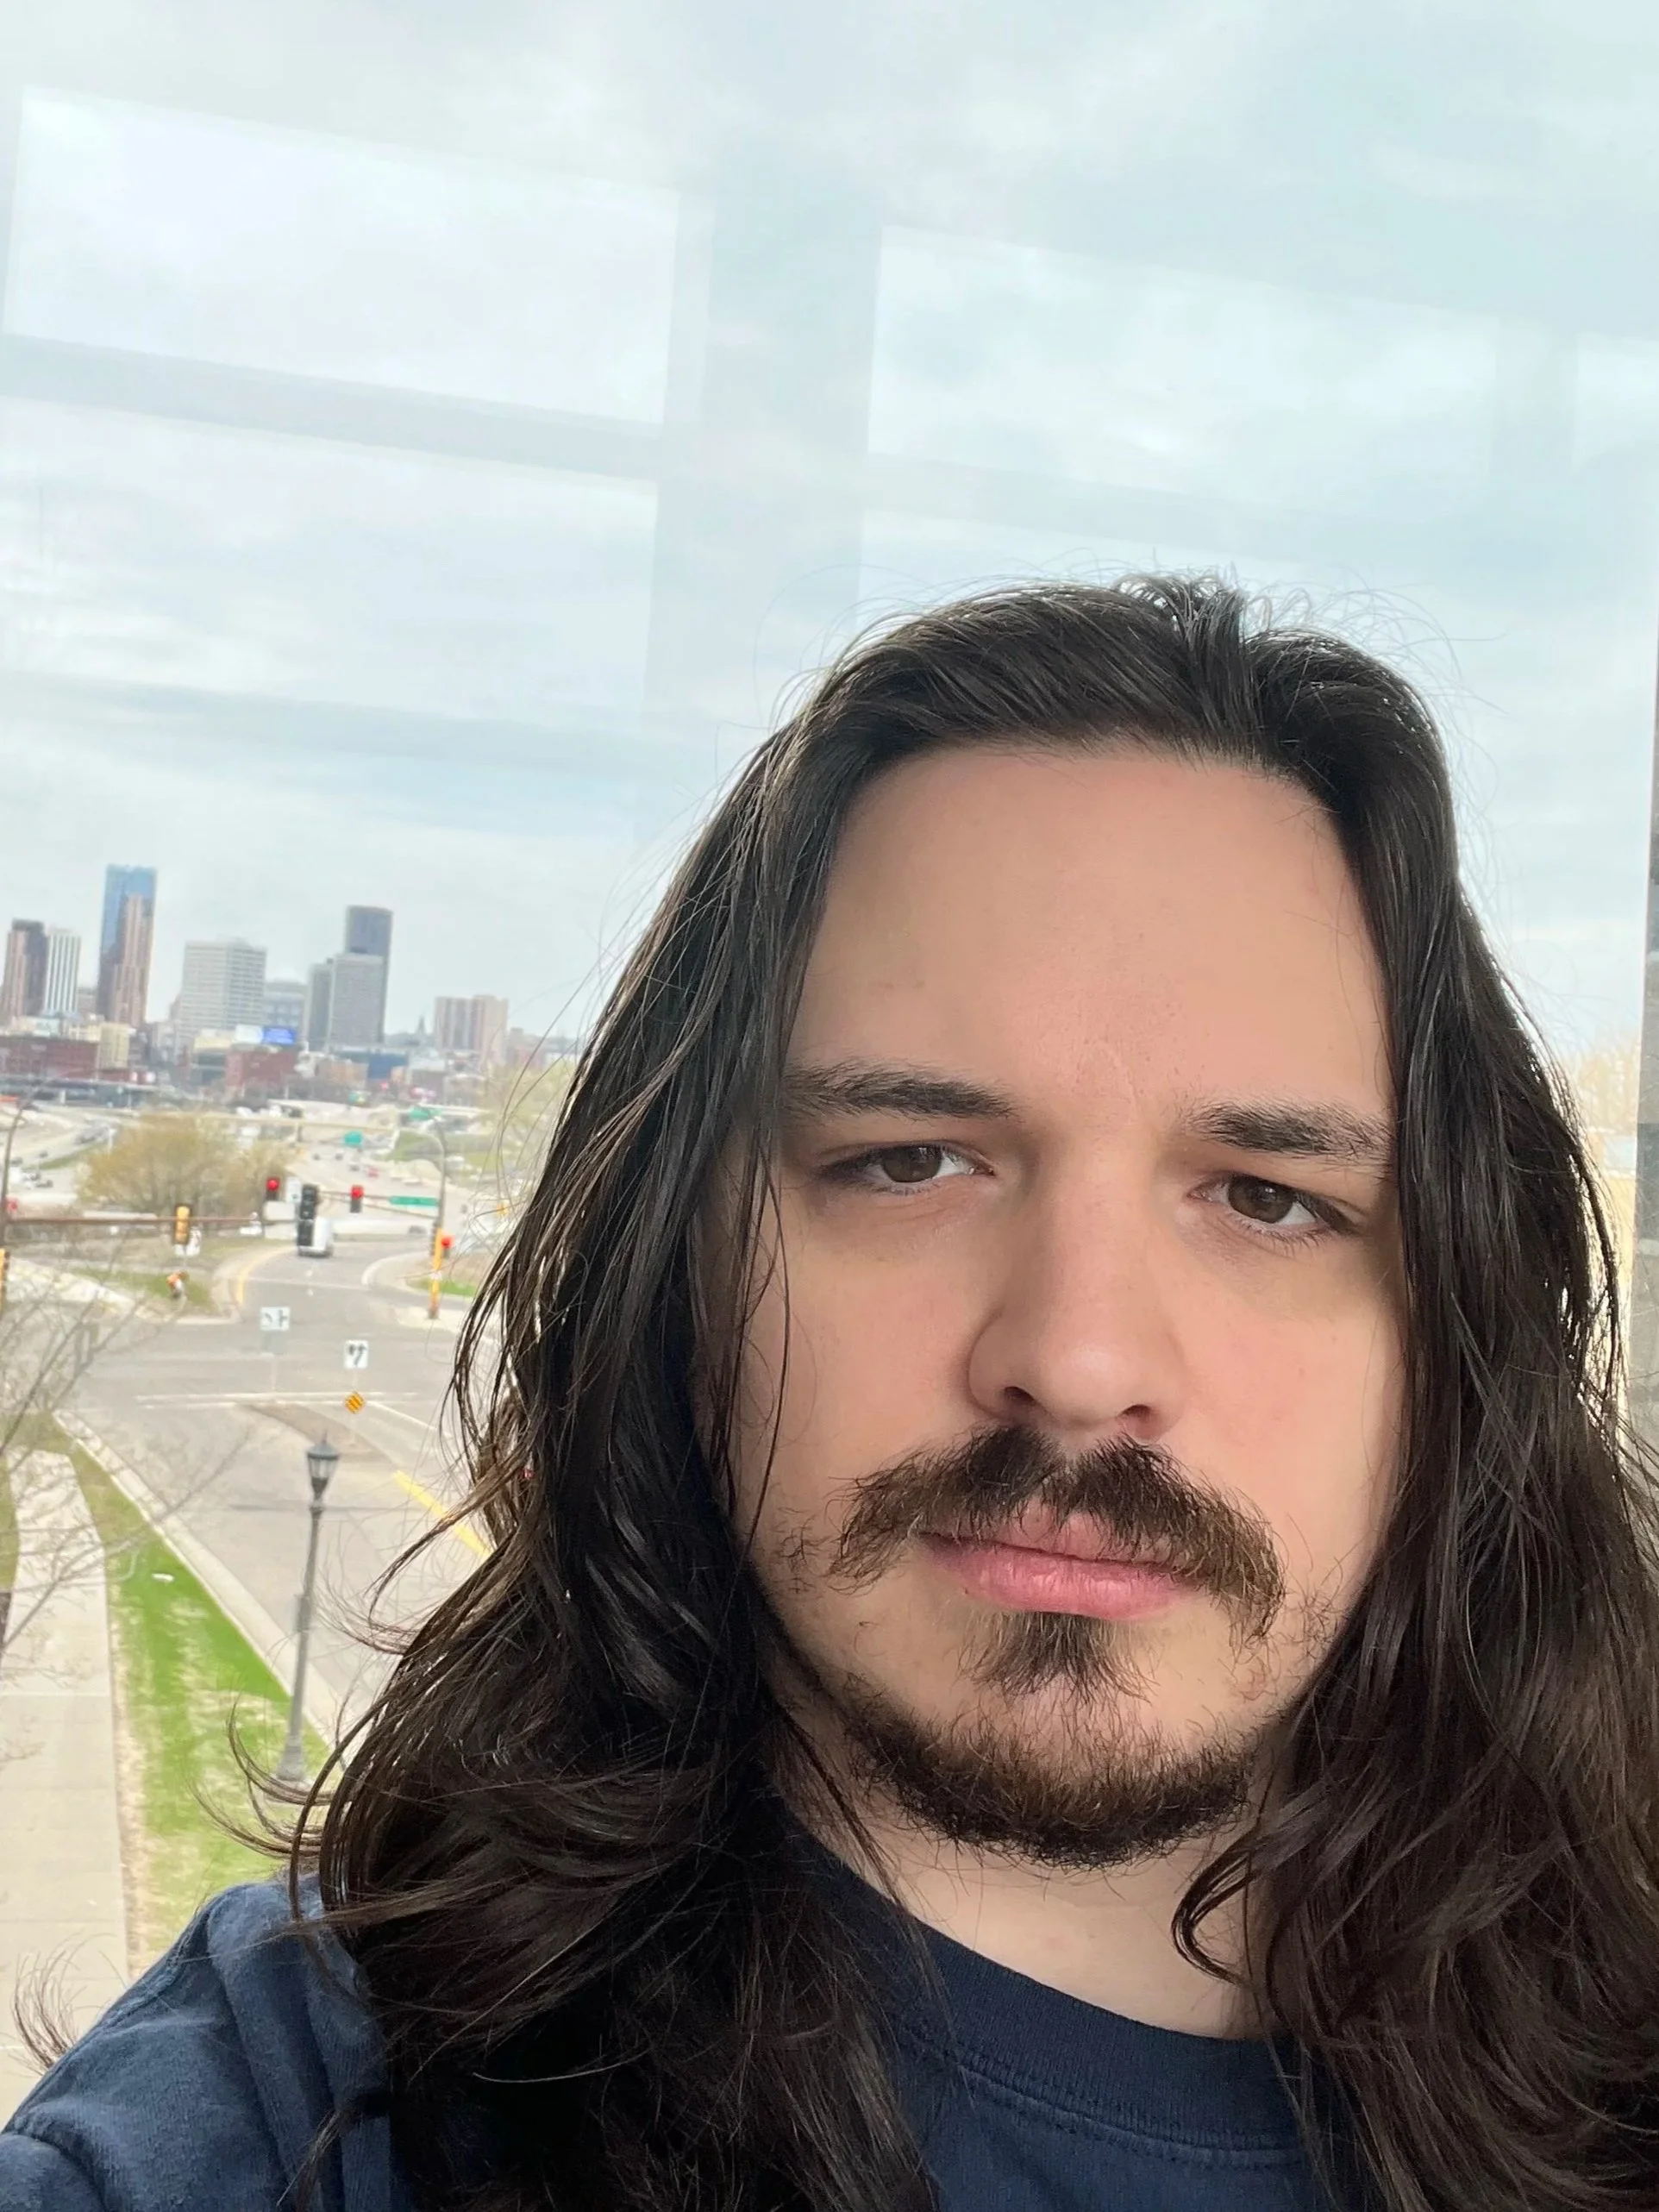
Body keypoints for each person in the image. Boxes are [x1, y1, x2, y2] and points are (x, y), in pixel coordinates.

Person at [6, 576, 1659, 2211]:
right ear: (683, 1275)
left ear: (1454, 1340)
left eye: (1268, 1197)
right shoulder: (297, 2118)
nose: (1080, 1365)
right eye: (909, 1163)